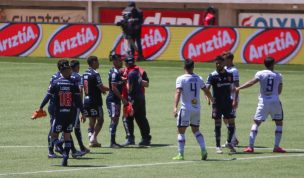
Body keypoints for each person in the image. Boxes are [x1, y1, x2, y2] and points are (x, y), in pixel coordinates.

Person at [39, 60, 86, 166]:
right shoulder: (73, 83)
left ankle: (59, 148)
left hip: (59, 114)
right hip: (71, 114)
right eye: (69, 69)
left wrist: (41, 107)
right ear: (64, 70)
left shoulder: (56, 82)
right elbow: (78, 101)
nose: (71, 70)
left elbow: (48, 96)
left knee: (54, 135)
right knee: (67, 136)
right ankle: (65, 158)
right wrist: (83, 111)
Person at [236, 57, 286, 153]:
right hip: (275, 101)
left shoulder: (260, 73)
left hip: (263, 102)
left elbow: (251, 82)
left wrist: (239, 88)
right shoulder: (279, 76)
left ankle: (250, 146)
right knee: (279, 123)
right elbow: (279, 91)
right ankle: (276, 147)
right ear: (273, 64)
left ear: (264, 64)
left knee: (256, 123)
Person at [172, 59, 213, 161]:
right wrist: (211, 99)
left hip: (185, 109)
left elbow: (178, 92)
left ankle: (180, 154)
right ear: (193, 67)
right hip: (196, 109)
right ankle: (203, 150)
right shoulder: (198, 78)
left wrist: (175, 107)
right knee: (196, 130)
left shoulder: (181, 79)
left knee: (181, 131)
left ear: (184, 67)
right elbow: (206, 90)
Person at [206, 55, 237, 154]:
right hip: (217, 104)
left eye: (219, 63)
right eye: (216, 63)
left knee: (231, 124)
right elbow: (206, 88)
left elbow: (233, 88)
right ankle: (218, 146)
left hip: (228, 102)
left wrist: (234, 99)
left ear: (224, 63)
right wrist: (209, 98)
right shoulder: (213, 75)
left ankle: (228, 142)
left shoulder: (230, 75)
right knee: (218, 125)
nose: (218, 65)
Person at [123, 56, 151, 146]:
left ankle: (130, 138)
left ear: (126, 63)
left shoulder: (137, 71)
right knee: (141, 118)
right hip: (140, 97)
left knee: (127, 117)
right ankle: (146, 138)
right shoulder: (133, 70)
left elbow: (146, 84)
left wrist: (131, 82)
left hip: (133, 98)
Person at [82, 56, 109, 147]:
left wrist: (100, 90)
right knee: (100, 120)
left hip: (86, 100)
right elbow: (101, 87)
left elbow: (89, 86)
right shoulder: (95, 74)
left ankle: (92, 139)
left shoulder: (84, 73)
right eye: (97, 61)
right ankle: (93, 138)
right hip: (95, 101)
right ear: (93, 62)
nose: (98, 63)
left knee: (91, 120)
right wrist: (112, 89)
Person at [106, 51, 127, 148]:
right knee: (114, 119)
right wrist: (122, 98)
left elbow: (117, 81)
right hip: (113, 99)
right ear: (114, 61)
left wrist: (123, 80)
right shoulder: (114, 73)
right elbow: (113, 87)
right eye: (119, 61)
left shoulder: (115, 71)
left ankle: (113, 141)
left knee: (116, 119)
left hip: (115, 99)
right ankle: (112, 142)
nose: (121, 62)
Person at [70, 60, 90, 154]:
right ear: (77, 67)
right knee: (73, 126)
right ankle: (67, 147)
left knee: (75, 126)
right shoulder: (78, 76)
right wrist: (81, 107)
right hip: (75, 105)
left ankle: (81, 147)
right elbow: (80, 91)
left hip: (65, 104)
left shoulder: (66, 75)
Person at [222, 51, 239, 147]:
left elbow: (237, 86)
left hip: (232, 98)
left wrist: (235, 99)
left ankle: (232, 141)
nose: (222, 61)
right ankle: (234, 138)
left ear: (229, 60)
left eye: (224, 59)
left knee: (230, 119)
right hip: (224, 97)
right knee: (224, 118)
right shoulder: (224, 68)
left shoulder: (234, 71)